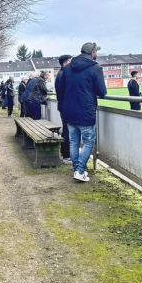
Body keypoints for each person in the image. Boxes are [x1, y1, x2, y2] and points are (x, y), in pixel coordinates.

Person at [56, 42, 107, 182]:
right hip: (85, 112)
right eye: (96, 51)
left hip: (69, 112)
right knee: (88, 141)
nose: (96, 54)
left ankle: (76, 169)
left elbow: (60, 90)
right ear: (92, 53)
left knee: (73, 142)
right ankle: (79, 170)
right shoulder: (95, 68)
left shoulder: (67, 69)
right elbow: (102, 92)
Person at [55, 54, 73, 164]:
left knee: (66, 130)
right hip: (65, 106)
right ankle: (66, 156)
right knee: (67, 131)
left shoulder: (60, 74)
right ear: (65, 63)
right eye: (70, 61)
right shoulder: (63, 75)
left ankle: (64, 154)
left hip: (63, 106)